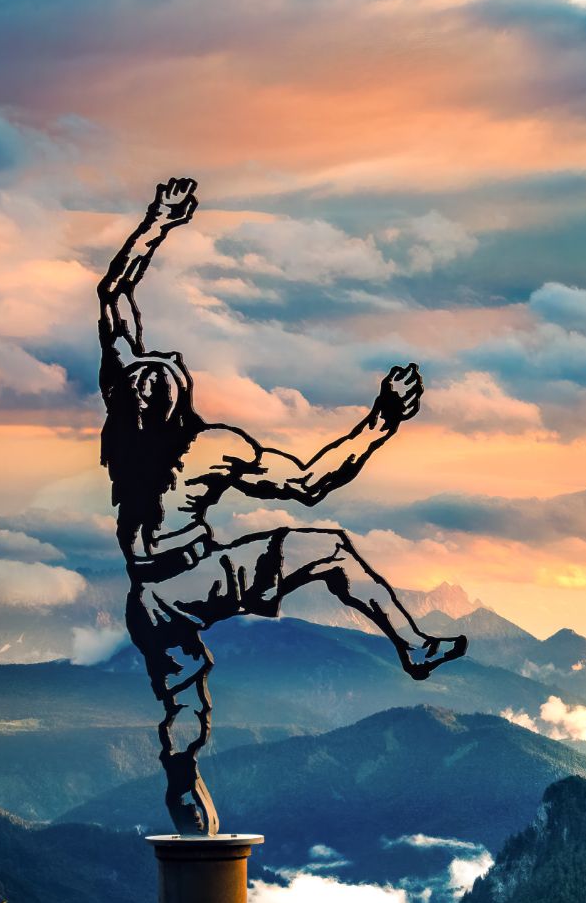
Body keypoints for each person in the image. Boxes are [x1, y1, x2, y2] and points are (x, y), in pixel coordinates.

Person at [98, 177, 466, 835]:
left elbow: (115, 294)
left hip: (148, 594)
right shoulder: (207, 445)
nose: (158, 367)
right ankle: (411, 646)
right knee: (326, 547)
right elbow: (309, 482)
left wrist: (159, 222)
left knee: (183, 695)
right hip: (190, 577)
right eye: (157, 368)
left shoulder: (127, 415)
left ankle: (185, 790)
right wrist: (380, 421)